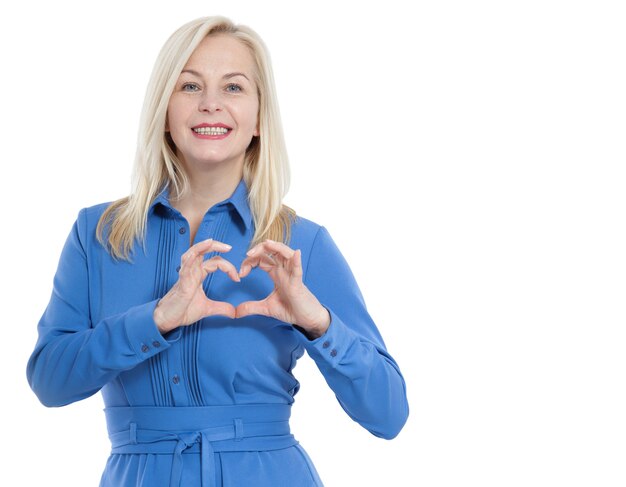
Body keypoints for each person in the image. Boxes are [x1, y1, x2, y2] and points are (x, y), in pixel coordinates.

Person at [26, 15, 409, 487]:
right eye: (189, 86)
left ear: (259, 118)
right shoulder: (99, 234)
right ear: (163, 109)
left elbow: (389, 414)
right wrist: (156, 319)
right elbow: (49, 381)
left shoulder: (301, 243)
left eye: (233, 88)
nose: (210, 105)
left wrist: (317, 322)